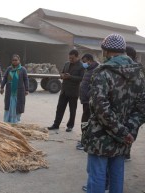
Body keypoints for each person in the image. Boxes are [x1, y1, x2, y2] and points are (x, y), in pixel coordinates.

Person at [81, 34, 145, 193]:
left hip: (101, 137)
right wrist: (128, 130)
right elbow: (142, 107)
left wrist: (121, 131)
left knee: (97, 176)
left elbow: (100, 108)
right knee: (117, 175)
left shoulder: (102, 72)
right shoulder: (138, 73)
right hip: (124, 138)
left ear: (105, 50)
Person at [48, 49, 84, 132]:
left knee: (72, 110)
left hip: (73, 91)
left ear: (77, 57)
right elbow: (62, 73)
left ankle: (70, 126)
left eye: (72, 58)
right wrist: (62, 76)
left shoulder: (81, 66)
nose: (70, 60)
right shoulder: (66, 64)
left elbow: (82, 78)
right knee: (59, 108)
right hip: (64, 90)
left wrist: (70, 77)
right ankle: (56, 124)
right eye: (69, 58)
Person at [76, 54, 99, 150]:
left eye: (85, 61)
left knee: (87, 121)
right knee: (85, 120)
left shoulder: (96, 70)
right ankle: (84, 138)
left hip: (89, 100)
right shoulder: (89, 69)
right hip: (85, 100)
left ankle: (86, 141)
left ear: (90, 60)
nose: (84, 64)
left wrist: (88, 95)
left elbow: (95, 85)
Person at [0, 54, 29, 123]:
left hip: (18, 93)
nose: (14, 61)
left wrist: (27, 89)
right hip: (10, 92)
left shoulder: (23, 69)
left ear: (19, 61)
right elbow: (5, 78)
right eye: (13, 60)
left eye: (16, 60)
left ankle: (16, 121)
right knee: (8, 106)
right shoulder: (9, 69)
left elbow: (26, 79)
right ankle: (8, 121)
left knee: (18, 106)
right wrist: (2, 87)